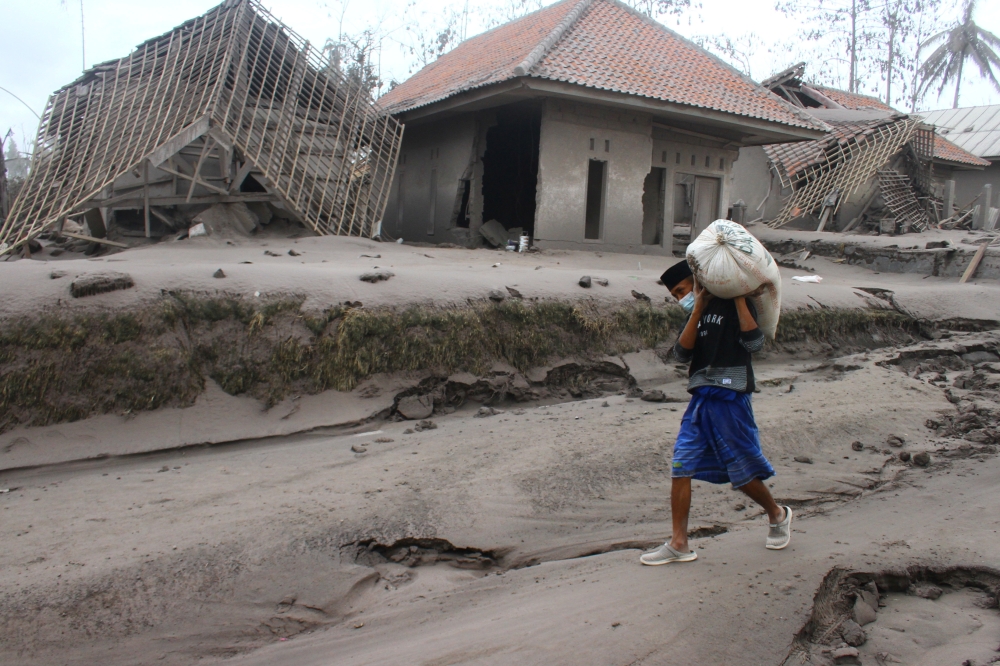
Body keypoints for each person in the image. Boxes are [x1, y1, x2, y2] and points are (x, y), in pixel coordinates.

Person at [640, 260, 791, 565]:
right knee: (681, 463)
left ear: (697, 281)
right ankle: (679, 543)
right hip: (701, 400)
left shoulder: (736, 304)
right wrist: (696, 308)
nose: (680, 297)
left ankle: (777, 514)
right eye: (675, 295)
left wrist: (736, 296)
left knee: (742, 470)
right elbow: (682, 354)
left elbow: (754, 341)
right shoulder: (696, 313)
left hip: (731, 398)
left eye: (683, 289)